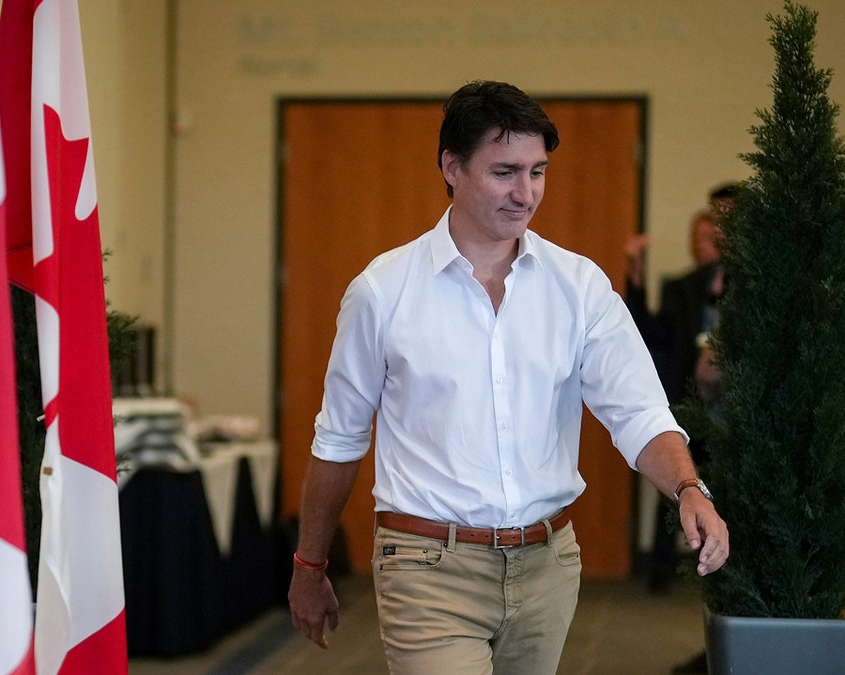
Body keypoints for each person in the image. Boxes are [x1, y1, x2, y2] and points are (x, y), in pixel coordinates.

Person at [287, 80, 730, 674]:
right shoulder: (383, 291)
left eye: (538, 171)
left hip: (546, 567)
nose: (526, 193)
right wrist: (309, 565)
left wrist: (687, 488)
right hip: (427, 566)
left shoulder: (579, 287)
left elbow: (638, 412)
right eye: (504, 172)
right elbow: (339, 439)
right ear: (451, 167)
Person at [623, 205, 726, 593]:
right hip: (686, 404)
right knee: (676, 484)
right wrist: (635, 271)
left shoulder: (742, 285)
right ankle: (660, 572)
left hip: (728, 411)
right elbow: (647, 333)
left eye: (709, 236)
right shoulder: (680, 288)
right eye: (695, 237)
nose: (700, 245)